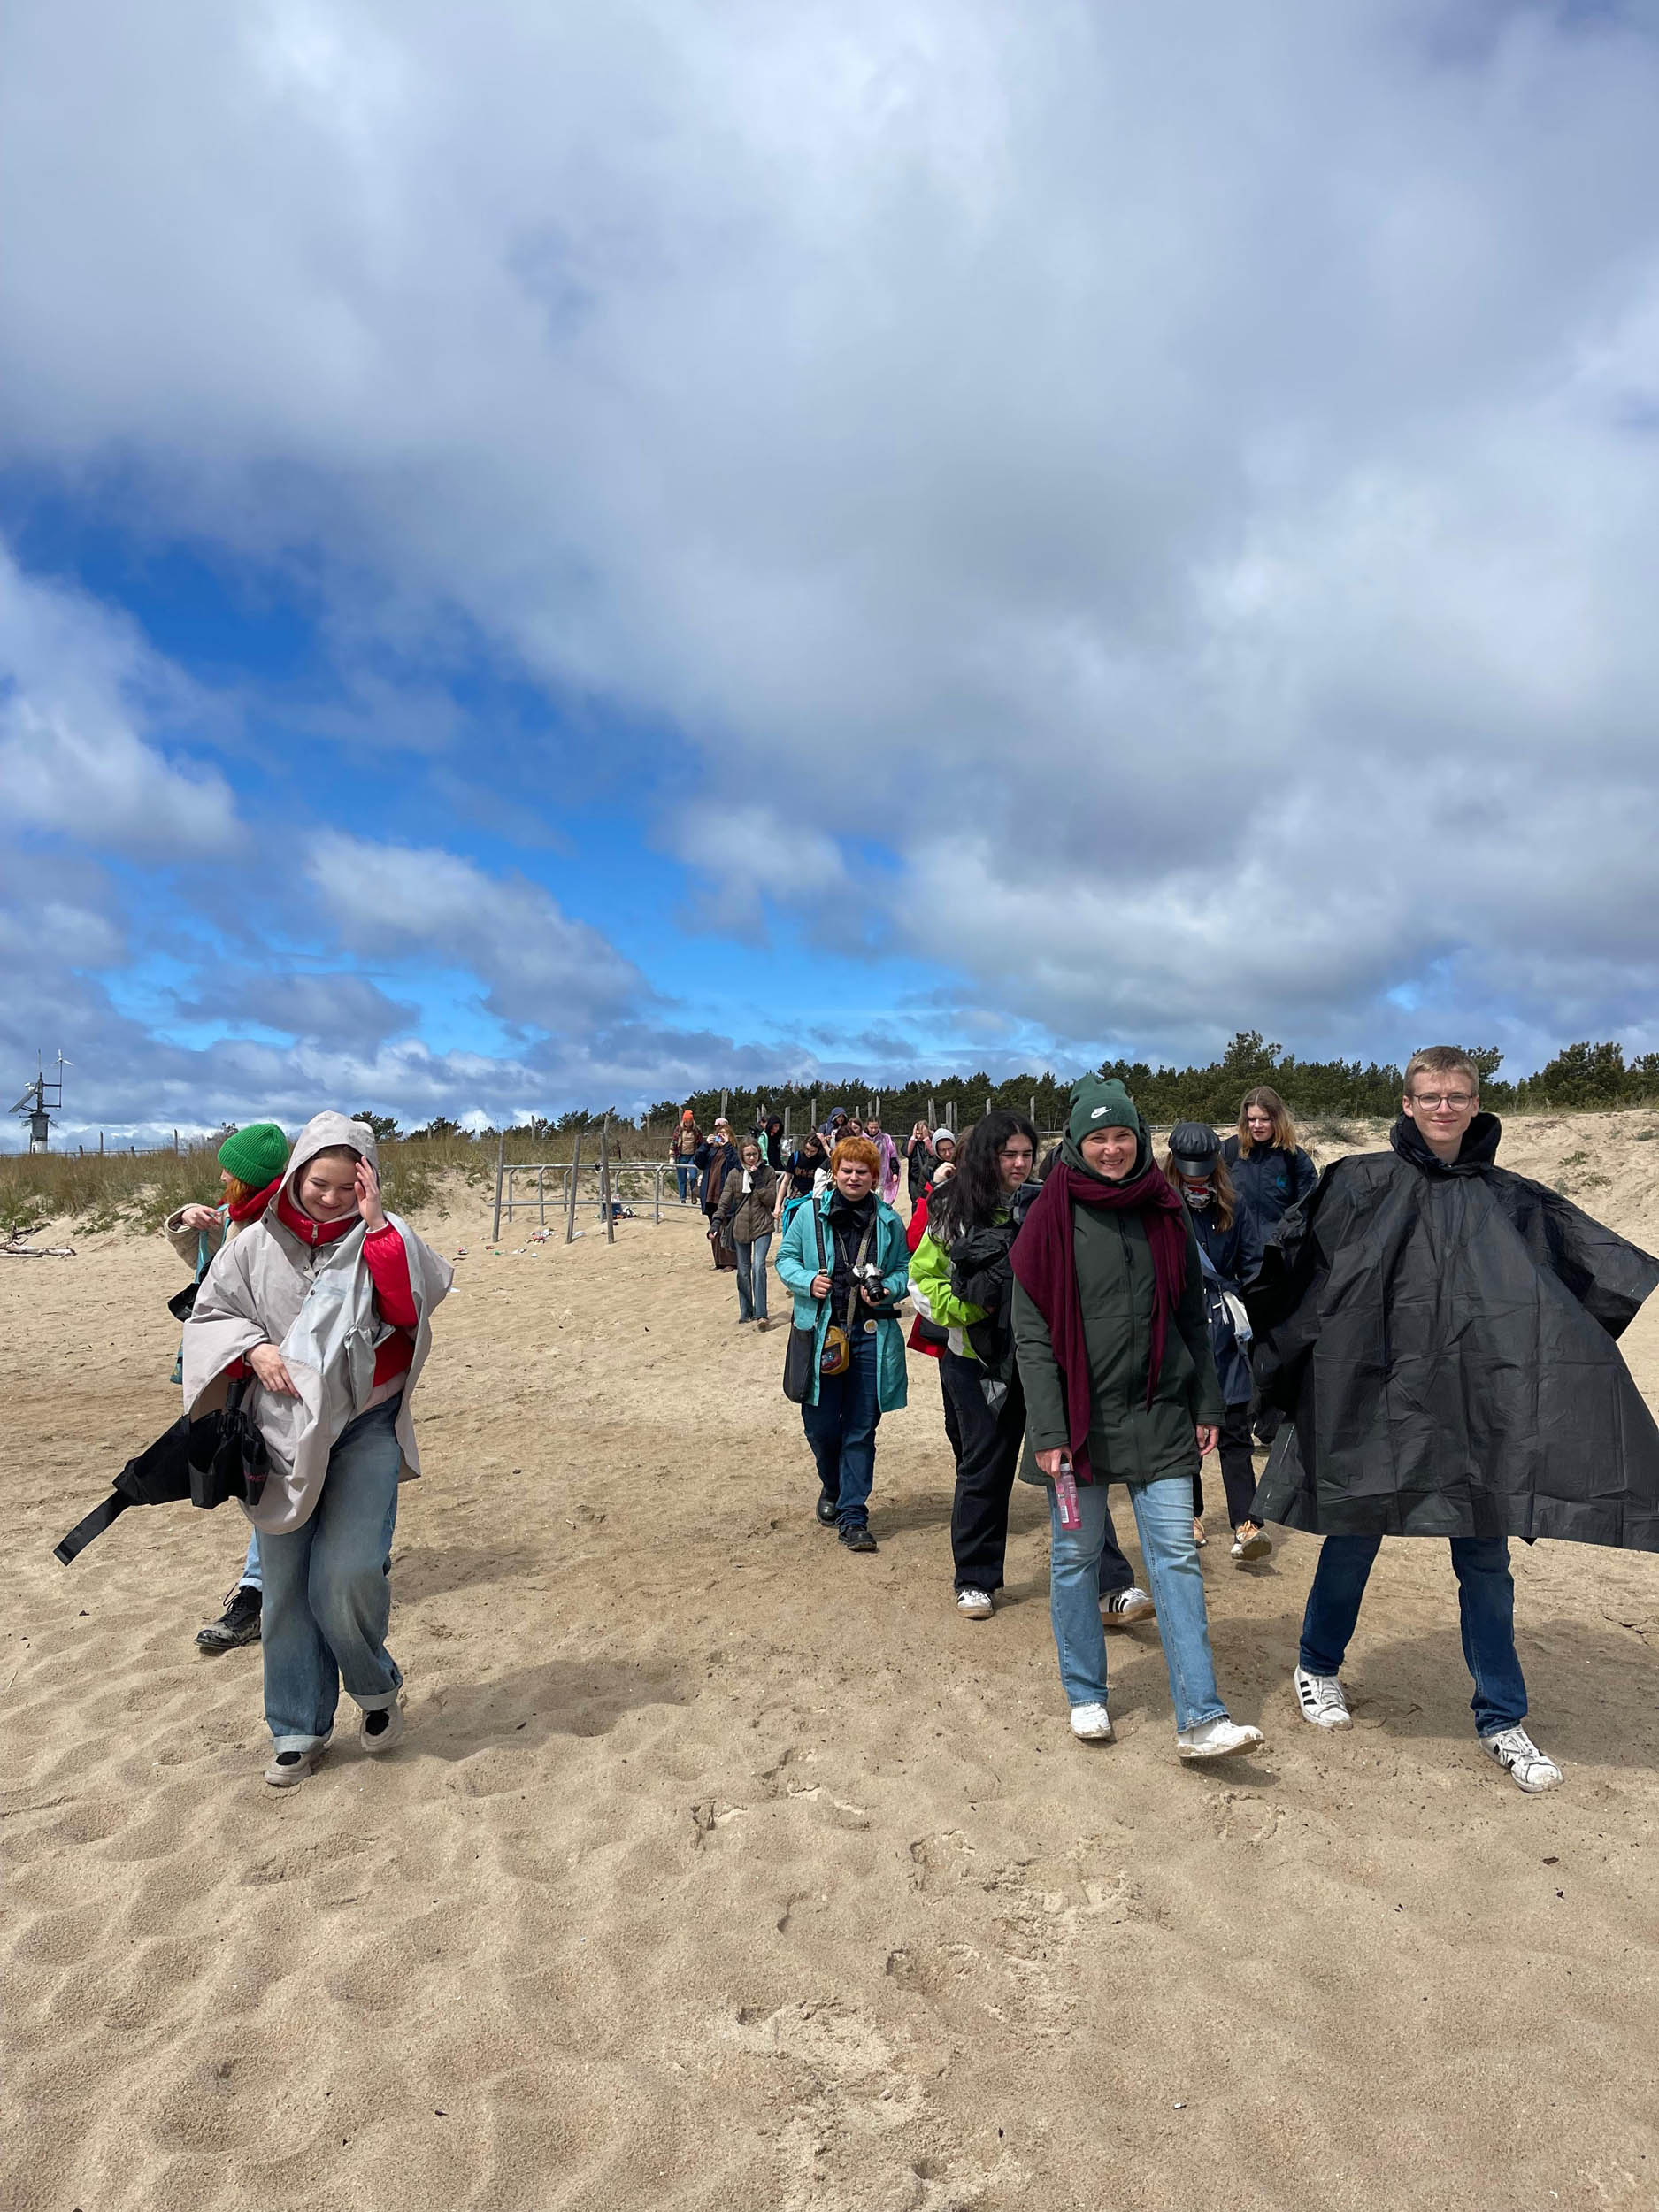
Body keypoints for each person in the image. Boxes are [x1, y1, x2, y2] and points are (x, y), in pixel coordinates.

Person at [1248, 1046, 1659, 1794]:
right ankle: (1317, 1663)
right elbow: (1292, 1275)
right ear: (1406, 1103)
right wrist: (1292, 1374)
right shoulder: (1358, 1183)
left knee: (1484, 1560)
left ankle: (1501, 1716)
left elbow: (1578, 1287)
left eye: (1456, 1096)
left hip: (1474, 1410)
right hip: (1374, 1398)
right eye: (1430, 1096)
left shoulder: (1509, 1199)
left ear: (1475, 1103)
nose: (1443, 1108)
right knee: (1352, 1534)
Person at [182, 1113, 452, 1788]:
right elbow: (212, 1313)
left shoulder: (387, 1238)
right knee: (284, 1588)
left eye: (346, 1186)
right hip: (279, 1430)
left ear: (368, 1181)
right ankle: (297, 1728)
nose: (330, 1198)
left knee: (348, 1573)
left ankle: (375, 1687)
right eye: (318, 1183)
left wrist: (377, 1225)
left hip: (366, 1424)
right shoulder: (253, 1243)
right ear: (296, 1175)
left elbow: (408, 1311)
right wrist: (254, 1347)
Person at [1010, 1076, 1265, 1760]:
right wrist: (1049, 1430)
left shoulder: (1163, 1205)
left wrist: (1206, 1403)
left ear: (1138, 1138)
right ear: (1076, 1143)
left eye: (1122, 1135)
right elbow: (1031, 1335)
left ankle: (1200, 1718)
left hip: (1159, 1410)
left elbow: (1189, 1313)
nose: (1111, 1148)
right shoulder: (1049, 1215)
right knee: (1074, 1558)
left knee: (1175, 1558)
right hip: (1076, 1423)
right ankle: (1085, 1694)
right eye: (1097, 1137)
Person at [909, 1110, 1044, 1617]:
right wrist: (970, 1311)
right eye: (1009, 1154)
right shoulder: (953, 1208)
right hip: (976, 1362)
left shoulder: (1045, 1205)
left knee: (1075, 1466)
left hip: (1041, 1359)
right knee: (984, 1467)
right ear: (988, 1155)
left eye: (1027, 1154)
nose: (1019, 1163)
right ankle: (975, 1578)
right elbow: (922, 1281)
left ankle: (1107, 1579)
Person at [165, 1120, 294, 1652]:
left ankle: (255, 1594)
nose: (221, 1176)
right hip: (242, 1365)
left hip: (275, 1369)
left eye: (229, 1170)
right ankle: (264, 1586)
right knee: (258, 1474)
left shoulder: (281, 1222)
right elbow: (208, 1273)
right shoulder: (237, 1216)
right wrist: (186, 1220)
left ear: (249, 1177)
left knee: (267, 1474)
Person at [776, 1133, 910, 1554]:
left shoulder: (888, 1221)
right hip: (820, 1336)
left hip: (870, 1337)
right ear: (834, 1173)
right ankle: (832, 1485)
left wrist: (888, 1289)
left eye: (862, 1172)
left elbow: (904, 1269)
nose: (854, 1177)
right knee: (818, 1426)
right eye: (846, 1170)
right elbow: (785, 1259)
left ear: (875, 1176)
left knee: (860, 1427)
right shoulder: (807, 1214)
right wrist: (806, 1281)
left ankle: (853, 1515)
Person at [1162, 1123, 1269, 1562]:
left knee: (1235, 1429)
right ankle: (1189, 1515)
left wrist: (1248, 1305)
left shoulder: (1235, 1205)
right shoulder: (1159, 1205)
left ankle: (1248, 1522)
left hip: (1225, 1325)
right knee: (1185, 1428)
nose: (1197, 1178)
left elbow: (1254, 1264)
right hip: (1178, 1324)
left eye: (1204, 1169)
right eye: (1190, 1170)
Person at [1222, 1087, 1317, 1445]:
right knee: (1242, 1342)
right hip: (1237, 1266)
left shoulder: (1294, 1159)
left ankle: (1271, 1421)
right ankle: (1242, 1417)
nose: (1257, 1125)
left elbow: (1310, 1209)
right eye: (1251, 1119)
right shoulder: (1230, 1153)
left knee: (1277, 1343)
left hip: (1279, 1266)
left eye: (1264, 1119)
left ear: (1277, 1119)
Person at [717, 1136, 781, 1327]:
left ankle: (761, 1314)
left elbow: (770, 1200)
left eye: (754, 1154)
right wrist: (716, 1222)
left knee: (758, 1266)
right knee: (743, 1271)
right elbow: (725, 1200)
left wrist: (758, 1180)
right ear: (742, 1156)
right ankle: (746, 1312)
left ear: (759, 1154)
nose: (752, 1158)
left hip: (762, 1226)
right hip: (741, 1228)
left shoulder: (768, 1172)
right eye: (748, 1155)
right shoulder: (734, 1174)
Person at [694, 1118, 741, 1269]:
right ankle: (719, 1261)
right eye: (719, 1134)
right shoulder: (711, 1150)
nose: (720, 1137)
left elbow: (736, 1165)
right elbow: (698, 1161)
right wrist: (705, 1145)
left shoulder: (733, 1150)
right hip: (710, 1193)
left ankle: (731, 1262)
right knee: (714, 1229)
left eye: (724, 1134)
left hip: (726, 1194)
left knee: (727, 1228)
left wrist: (727, 1145)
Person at [864, 1115, 901, 1206]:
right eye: (871, 1128)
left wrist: (895, 1172)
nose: (873, 1130)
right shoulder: (862, 1139)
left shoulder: (885, 1139)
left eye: (876, 1128)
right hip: (865, 1174)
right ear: (867, 1126)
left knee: (879, 1200)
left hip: (881, 1175)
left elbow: (892, 1155)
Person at [669, 1110, 703, 1204]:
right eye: (686, 1122)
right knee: (682, 1178)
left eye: (689, 1121)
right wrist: (671, 1156)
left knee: (693, 1176)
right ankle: (682, 1198)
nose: (688, 1124)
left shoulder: (696, 1130)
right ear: (683, 1121)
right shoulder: (679, 1130)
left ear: (692, 1121)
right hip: (681, 1156)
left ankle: (693, 1195)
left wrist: (702, 1155)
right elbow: (674, 1142)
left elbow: (701, 1143)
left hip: (692, 1156)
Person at [903, 1120, 937, 1206]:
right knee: (916, 1201)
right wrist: (913, 1138)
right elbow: (907, 1153)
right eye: (917, 1133)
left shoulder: (934, 1139)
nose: (919, 1136)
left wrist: (926, 1139)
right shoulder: (911, 1140)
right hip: (914, 1177)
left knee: (930, 1201)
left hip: (929, 1176)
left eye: (921, 1134)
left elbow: (934, 1153)